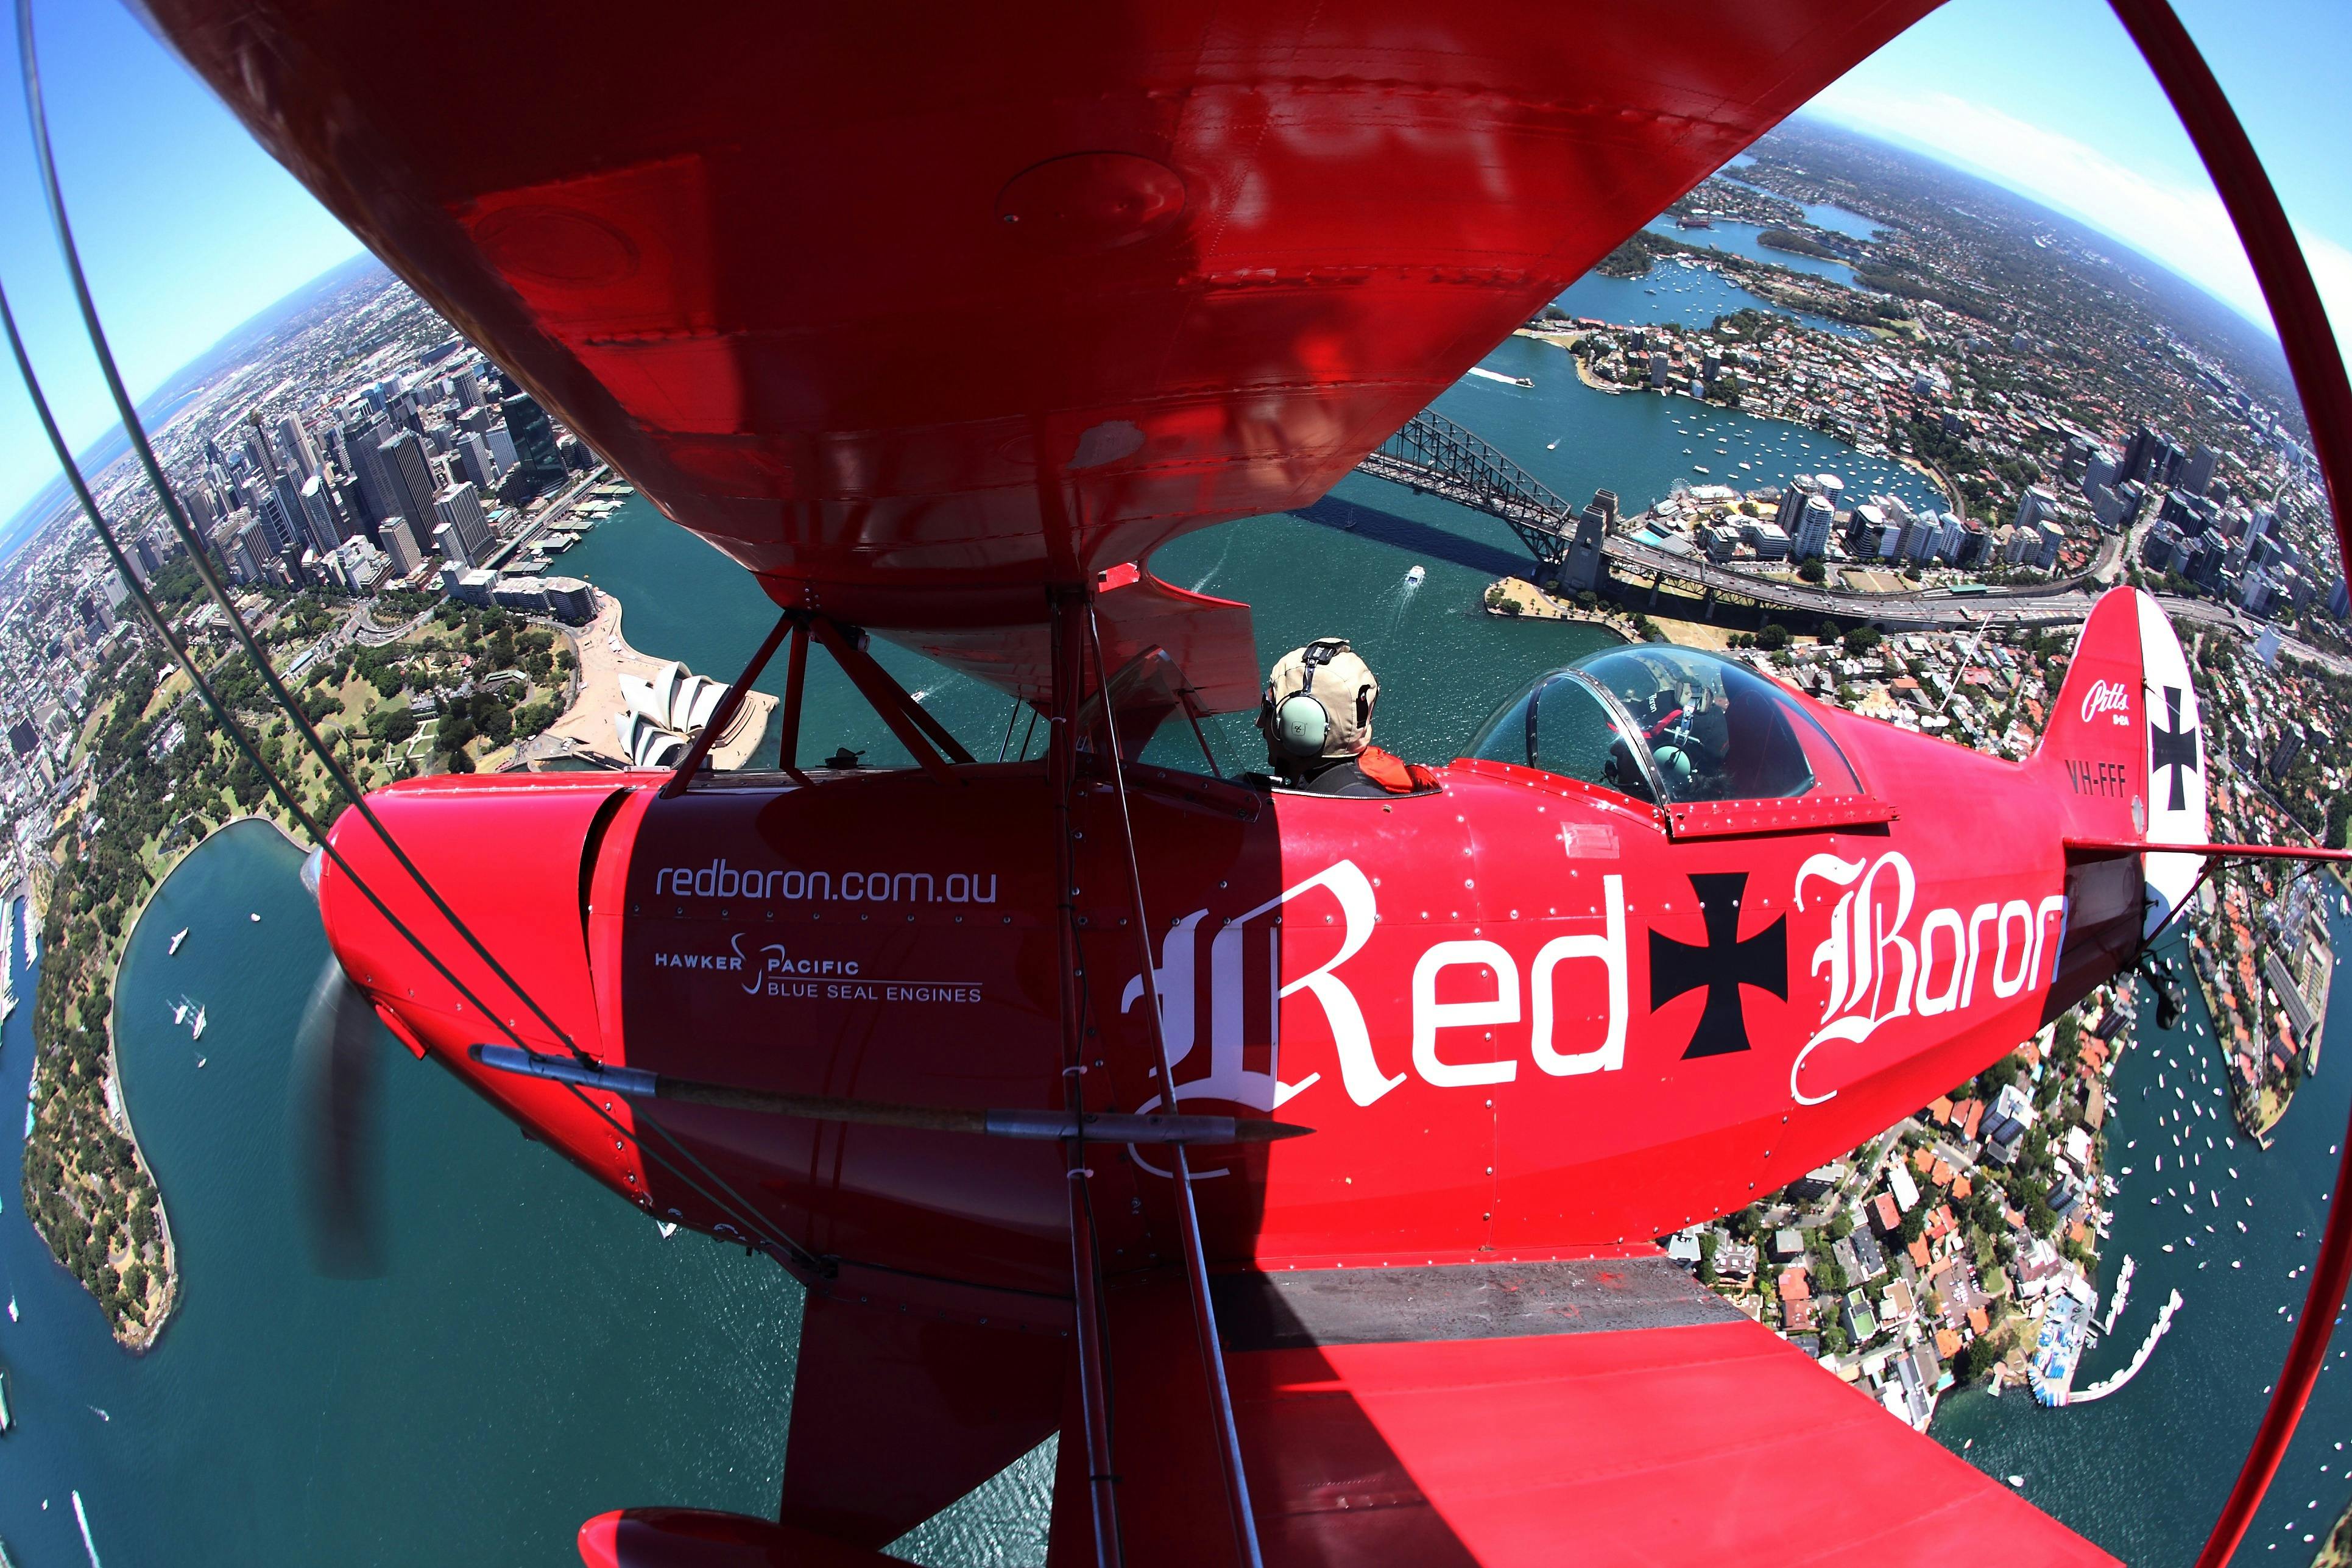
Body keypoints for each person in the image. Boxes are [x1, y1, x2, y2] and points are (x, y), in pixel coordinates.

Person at [1255, 637, 1436, 796]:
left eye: (1268, 707)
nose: (1259, 723)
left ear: (1304, 723)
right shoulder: (1360, 795)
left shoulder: (1337, 816)